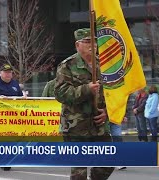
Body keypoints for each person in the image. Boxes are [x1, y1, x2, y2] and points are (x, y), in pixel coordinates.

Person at [54, 28, 114, 180]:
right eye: (87, 42)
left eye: (94, 42)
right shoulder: (67, 65)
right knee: (79, 172)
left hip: (99, 126)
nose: (92, 45)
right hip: (76, 126)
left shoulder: (105, 65)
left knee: (107, 163)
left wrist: (107, 112)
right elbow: (61, 93)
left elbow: (113, 93)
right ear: (77, 45)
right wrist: (86, 89)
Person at [0, 64, 23, 172]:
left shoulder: (15, 84)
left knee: (13, 139)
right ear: (0, 73)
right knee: (3, 139)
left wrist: (24, 98)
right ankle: (4, 160)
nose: (8, 74)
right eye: (6, 72)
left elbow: (21, 97)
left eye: (10, 72)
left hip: (13, 118)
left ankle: (8, 159)